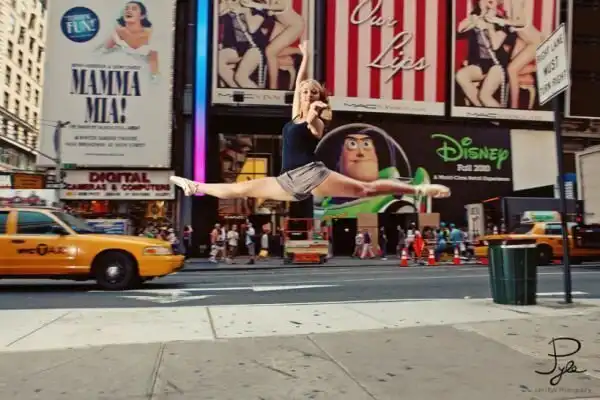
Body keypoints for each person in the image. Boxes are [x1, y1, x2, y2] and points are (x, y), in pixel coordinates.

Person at [170, 39, 450, 202]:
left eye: (312, 92)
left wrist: (316, 110)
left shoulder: (316, 119)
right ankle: (195, 187)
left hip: (312, 174)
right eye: (305, 91)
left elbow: (315, 127)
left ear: (318, 97)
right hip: (288, 181)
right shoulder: (296, 115)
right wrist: (305, 58)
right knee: (240, 189)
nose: (306, 93)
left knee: (366, 189)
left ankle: (419, 189)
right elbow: (298, 84)